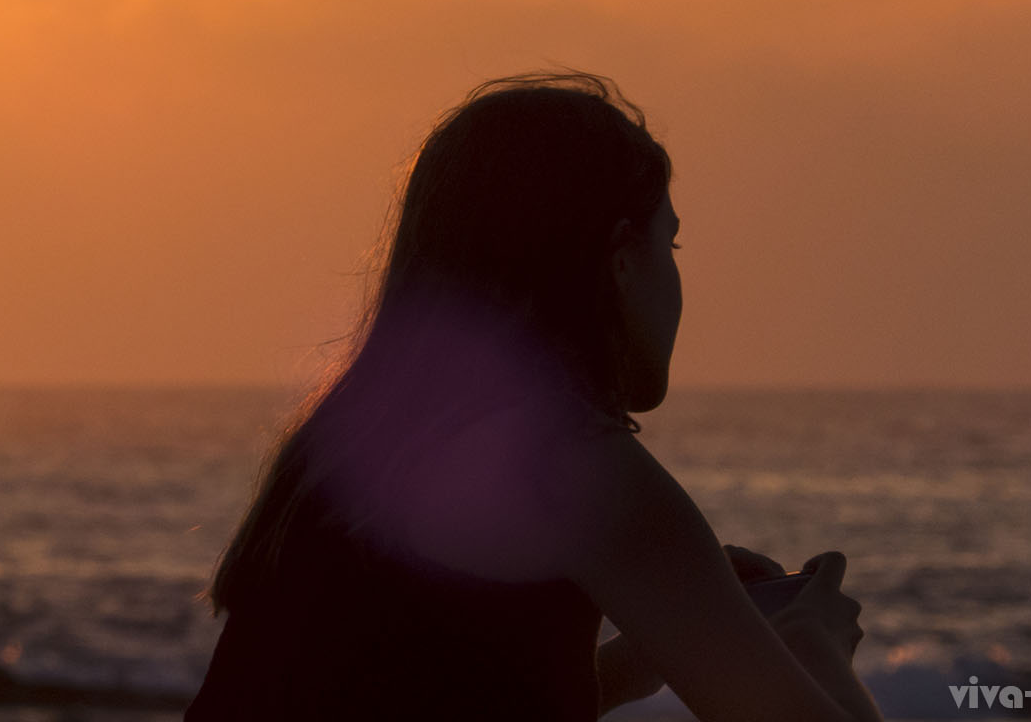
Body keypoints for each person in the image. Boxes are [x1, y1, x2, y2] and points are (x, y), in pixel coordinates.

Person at [186, 71, 881, 721]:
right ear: (619, 261)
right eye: (671, 244)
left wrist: (639, 661)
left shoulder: (347, 451)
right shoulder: (577, 467)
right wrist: (813, 639)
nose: (675, 280)